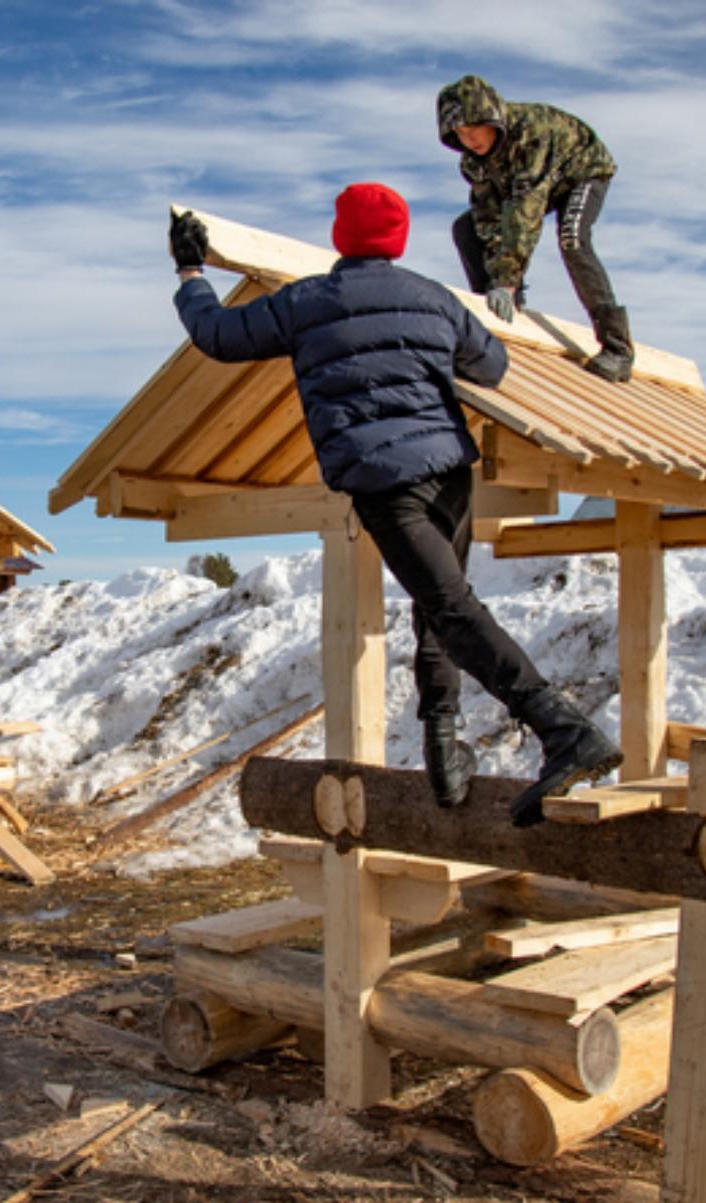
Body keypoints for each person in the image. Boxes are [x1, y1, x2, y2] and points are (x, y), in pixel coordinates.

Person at [168, 184, 622, 826]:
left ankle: (563, 729)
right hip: (449, 471)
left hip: (383, 479)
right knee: (443, 604)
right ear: (400, 240)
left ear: (340, 237)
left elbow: (217, 334)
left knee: (449, 607)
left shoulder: (310, 302)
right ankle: (445, 755)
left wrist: (191, 271)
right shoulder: (430, 297)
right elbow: (491, 367)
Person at [435, 74, 633, 383]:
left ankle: (617, 347)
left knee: (572, 238)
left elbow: (525, 211)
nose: (469, 139)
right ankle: (494, 321)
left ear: (491, 119)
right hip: (531, 188)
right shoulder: (473, 162)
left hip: (581, 171)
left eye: (474, 129)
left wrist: (508, 279)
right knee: (466, 228)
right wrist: (498, 285)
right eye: (461, 133)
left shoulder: (531, 133)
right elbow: (489, 218)